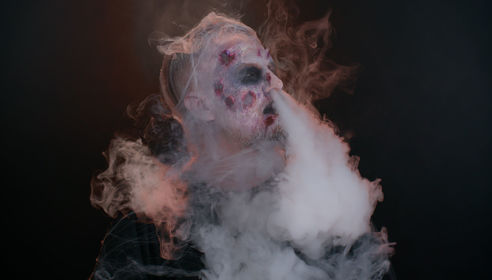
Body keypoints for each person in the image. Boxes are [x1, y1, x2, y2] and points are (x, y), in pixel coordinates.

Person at [90, 12, 393, 280]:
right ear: (201, 105)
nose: (276, 84)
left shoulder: (326, 211)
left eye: (271, 69)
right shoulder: (146, 237)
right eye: (250, 74)